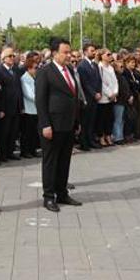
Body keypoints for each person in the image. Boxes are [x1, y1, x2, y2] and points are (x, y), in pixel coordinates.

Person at [35, 37, 82, 213]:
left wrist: (76, 121)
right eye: (65, 52)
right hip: (52, 125)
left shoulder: (69, 69)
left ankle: (62, 192)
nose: (69, 55)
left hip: (68, 123)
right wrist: (45, 124)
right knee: (50, 161)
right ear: (55, 53)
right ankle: (48, 197)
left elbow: (73, 96)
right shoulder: (45, 72)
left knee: (64, 160)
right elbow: (40, 100)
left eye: (70, 52)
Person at [0, 47, 21, 162]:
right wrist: (1, 109)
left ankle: (10, 152)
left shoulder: (15, 70)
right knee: (4, 132)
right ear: (3, 58)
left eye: (13, 56)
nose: (12, 58)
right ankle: (2, 154)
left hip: (15, 106)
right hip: (5, 107)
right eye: (10, 56)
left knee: (13, 131)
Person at [77, 44, 102, 151]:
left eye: (94, 50)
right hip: (87, 98)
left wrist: (99, 92)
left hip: (95, 98)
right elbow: (84, 83)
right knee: (85, 121)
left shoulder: (95, 65)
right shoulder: (82, 65)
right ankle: (84, 143)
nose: (94, 52)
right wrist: (93, 93)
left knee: (92, 120)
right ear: (85, 52)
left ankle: (91, 140)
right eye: (92, 50)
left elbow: (99, 80)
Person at [97, 49, 118, 146]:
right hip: (104, 98)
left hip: (112, 97)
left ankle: (108, 135)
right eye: (108, 54)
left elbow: (115, 81)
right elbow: (101, 83)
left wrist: (115, 92)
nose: (110, 56)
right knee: (101, 119)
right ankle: (101, 137)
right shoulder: (99, 67)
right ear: (102, 56)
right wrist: (109, 94)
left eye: (110, 54)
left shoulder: (111, 68)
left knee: (110, 118)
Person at [20, 55, 39, 158]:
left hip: (35, 109)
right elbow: (29, 94)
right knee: (27, 132)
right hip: (28, 109)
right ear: (29, 68)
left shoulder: (34, 77)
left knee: (33, 132)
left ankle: (33, 149)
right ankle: (25, 151)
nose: (36, 70)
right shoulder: (24, 78)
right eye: (35, 68)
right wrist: (40, 99)